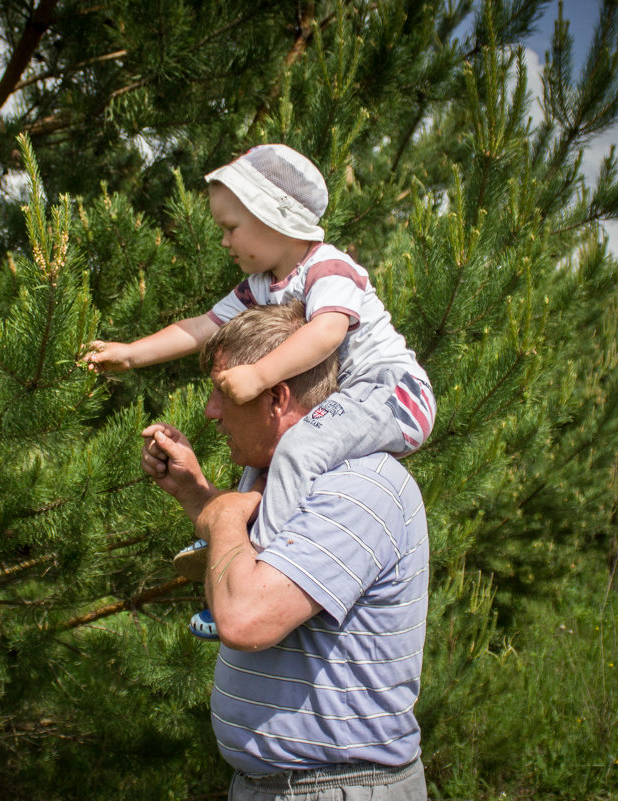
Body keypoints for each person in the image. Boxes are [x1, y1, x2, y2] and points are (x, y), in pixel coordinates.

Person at [88, 144, 435, 638]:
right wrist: (128, 353)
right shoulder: (262, 283)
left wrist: (258, 375)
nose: (224, 241)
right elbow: (201, 327)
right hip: (346, 399)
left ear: (274, 218)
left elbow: (328, 332)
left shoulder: (327, 267)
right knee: (262, 456)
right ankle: (233, 546)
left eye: (231, 228)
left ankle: (258, 560)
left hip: (392, 394)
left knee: (295, 447)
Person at [141, 302, 429, 800]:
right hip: (282, 786)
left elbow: (245, 619)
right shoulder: (282, 481)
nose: (211, 411)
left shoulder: (355, 488)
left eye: (221, 391)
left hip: (336, 789)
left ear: (275, 397)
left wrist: (226, 514)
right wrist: (198, 497)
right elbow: (253, 564)